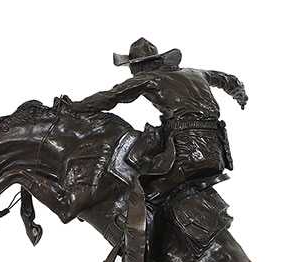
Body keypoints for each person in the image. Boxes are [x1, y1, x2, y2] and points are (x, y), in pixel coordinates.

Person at [71, 38, 248, 202]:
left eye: (131, 66)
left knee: (141, 195)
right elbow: (230, 81)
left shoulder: (148, 78)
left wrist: (75, 107)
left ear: (139, 65)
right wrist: (241, 97)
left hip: (187, 150)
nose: (131, 72)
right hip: (217, 151)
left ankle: (133, 227)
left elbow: (111, 96)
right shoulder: (196, 73)